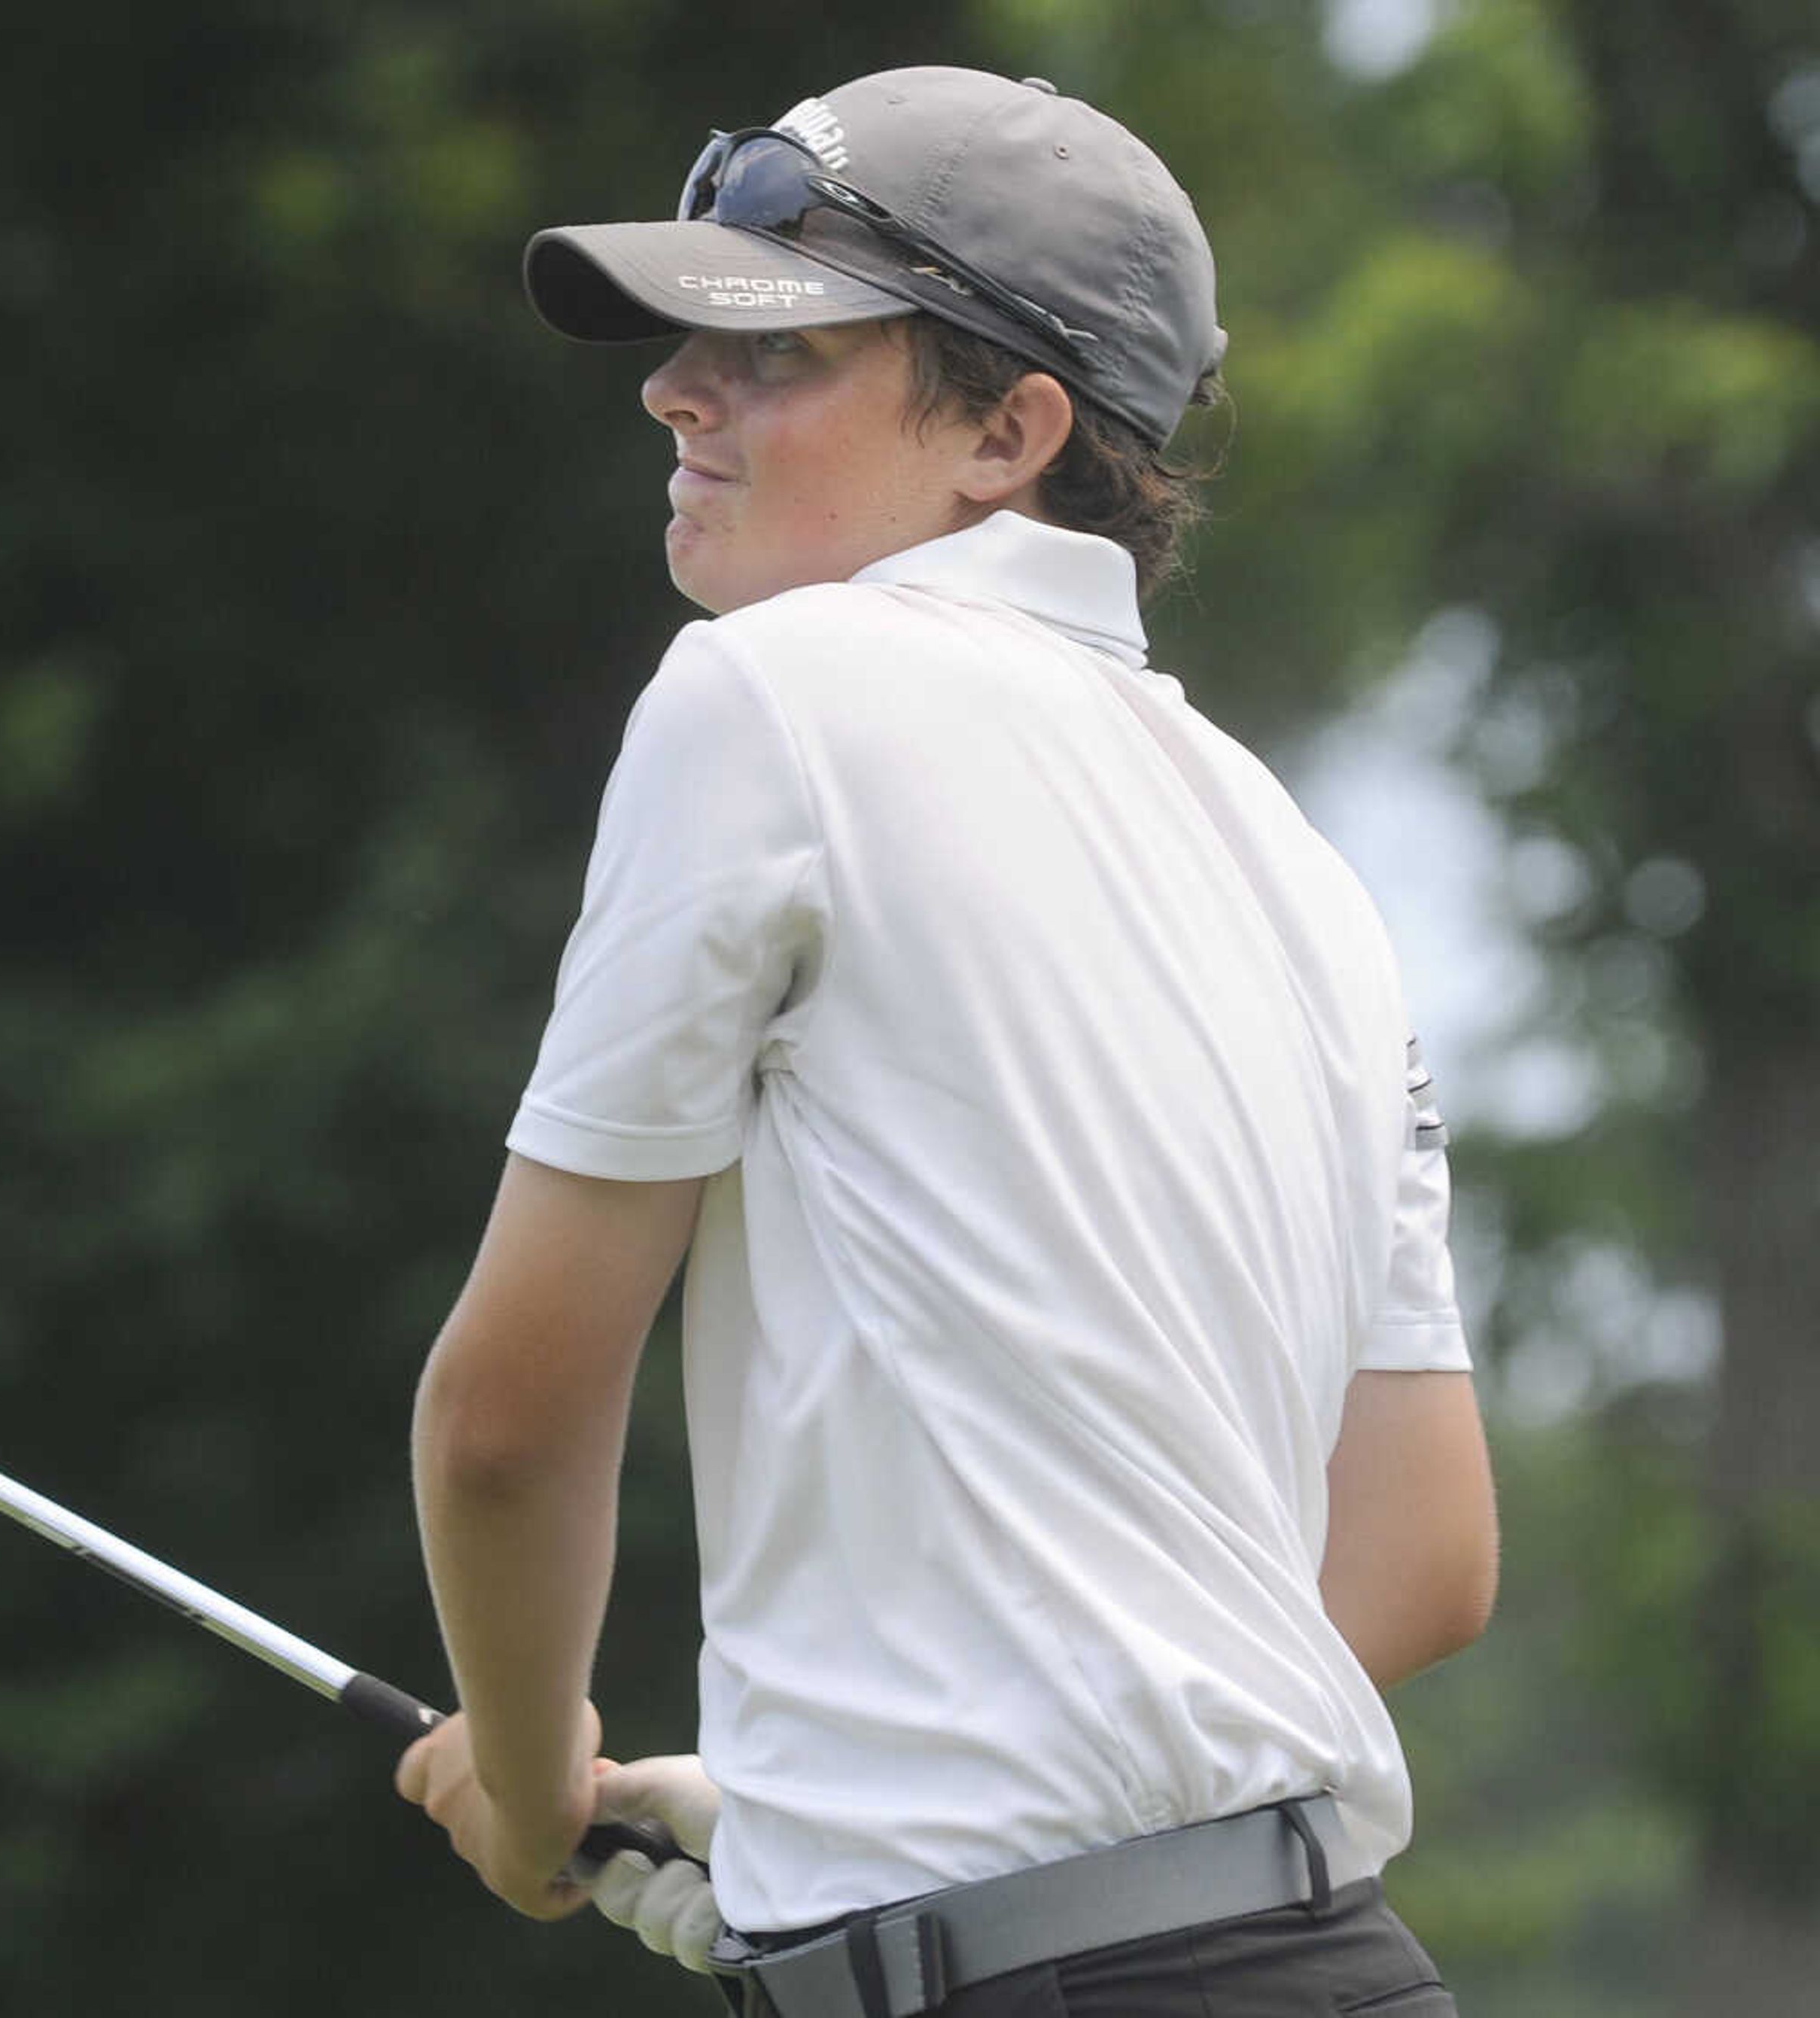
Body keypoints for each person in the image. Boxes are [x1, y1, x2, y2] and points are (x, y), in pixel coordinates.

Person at [391, 65, 1499, 2018]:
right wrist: (883, 1790)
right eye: (686, 349)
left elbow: (507, 1419)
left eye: (777, 353)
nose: (676, 393)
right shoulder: (1303, 863)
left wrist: (525, 1766)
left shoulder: (777, 694)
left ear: (1011, 430)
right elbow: (1420, 1547)